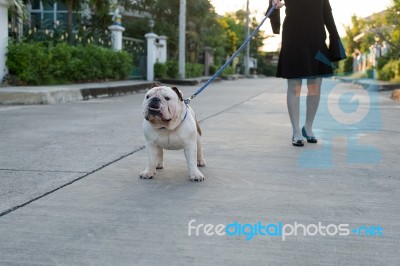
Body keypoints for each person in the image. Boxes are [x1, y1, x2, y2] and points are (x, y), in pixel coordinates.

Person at [268, 0, 346, 146]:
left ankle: (308, 127)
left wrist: (334, 36)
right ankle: (296, 130)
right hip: (293, 38)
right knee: (294, 86)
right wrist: (275, 7)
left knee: (315, 86)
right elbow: (273, 3)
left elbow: (326, 12)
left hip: (316, 38)